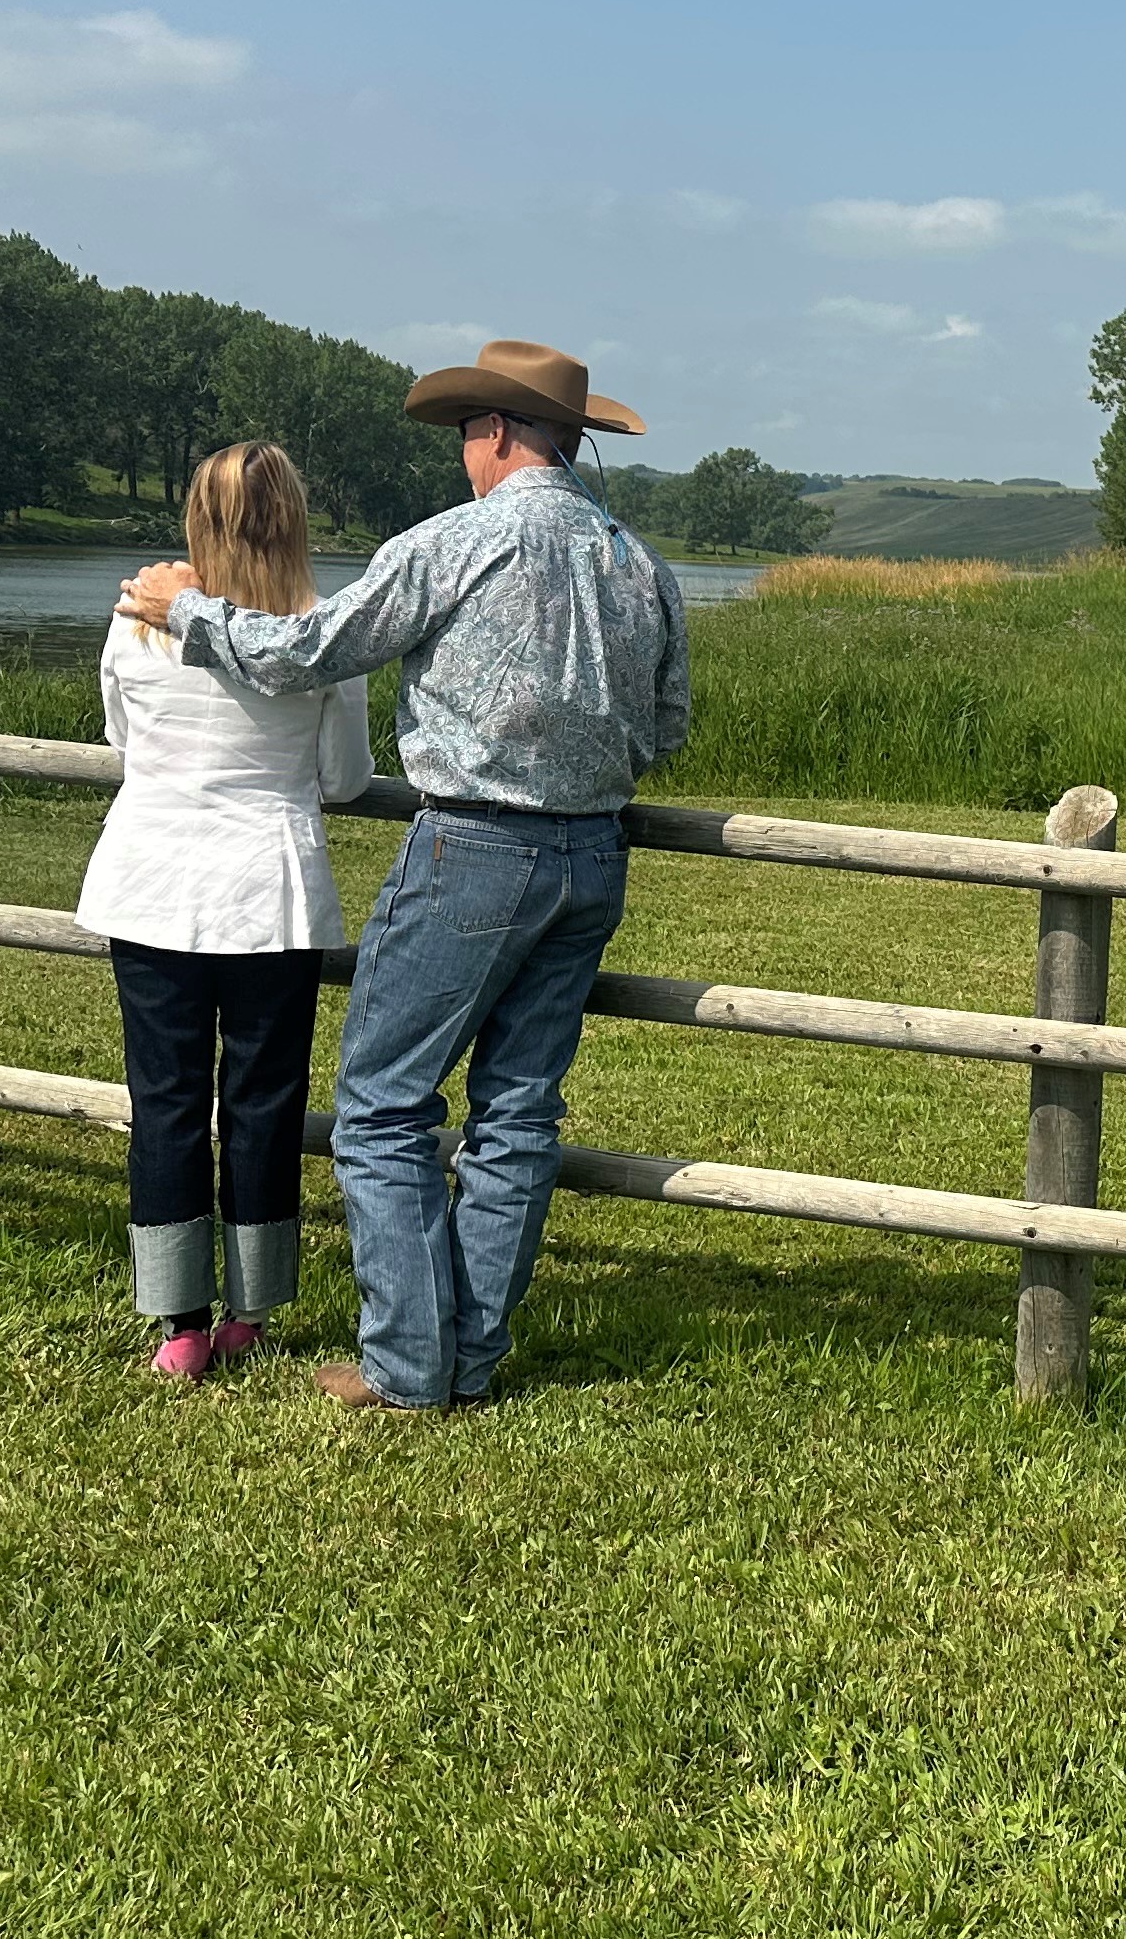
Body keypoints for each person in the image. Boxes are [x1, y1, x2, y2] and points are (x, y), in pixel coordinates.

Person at [114, 341, 688, 1414]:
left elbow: (305, 652)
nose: (464, 454)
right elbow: (666, 725)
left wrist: (185, 610)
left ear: (500, 434)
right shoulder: (637, 562)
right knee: (518, 1112)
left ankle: (409, 1364)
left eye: (469, 431)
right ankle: (468, 1357)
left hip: (473, 847)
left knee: (383, 1107)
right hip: (593, 853)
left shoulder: (457, 543)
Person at [78, 441, 372, 1380]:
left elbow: (123, 738)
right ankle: (252, 1307)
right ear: (292, 519)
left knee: (164, 1099)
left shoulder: (137, 620)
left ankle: (177, 1321)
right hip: (270, 891)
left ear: (195, 520)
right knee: (264, 1100)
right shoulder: (323, 630)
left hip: (151, 878)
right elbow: (345, 777)